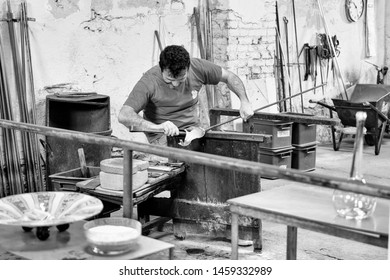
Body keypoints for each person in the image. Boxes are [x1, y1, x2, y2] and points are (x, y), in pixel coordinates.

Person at [118, 45, 254, 145]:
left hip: (192, 129)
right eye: (169, 81)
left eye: (181, 79)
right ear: (161, 68)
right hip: (162, 134)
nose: (176, 85)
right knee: (176, 166)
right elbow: (124, 115)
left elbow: (230, 77)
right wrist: (157, 127)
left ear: (188, 68)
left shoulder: (198, 67)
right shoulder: (149, 81)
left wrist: (244, 101)